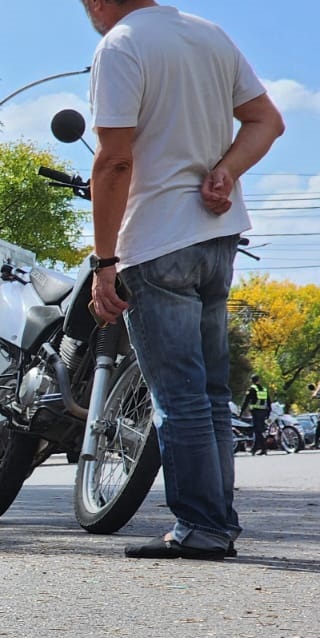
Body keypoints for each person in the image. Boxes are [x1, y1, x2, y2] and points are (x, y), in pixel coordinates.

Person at [82, 0, 284, 561]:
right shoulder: (211, 35)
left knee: (180, 398)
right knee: (212, 395)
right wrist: (228, 169)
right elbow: (268, 120)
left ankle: (200, 527)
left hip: (157, 239)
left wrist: (104, 262)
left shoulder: (120, 45)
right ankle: (217, 522)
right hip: (218, 239)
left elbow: (114, 160)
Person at [241, 374, 271, 455]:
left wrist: (241, 411)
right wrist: (268, 412)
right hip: (263, 412)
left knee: (258, 431)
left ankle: (262, 449)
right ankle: (256, 449)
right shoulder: (264, 389)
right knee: (260, 430)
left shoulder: (252, 389)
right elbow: (268, 402)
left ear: (252, 380)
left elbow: (246, 401)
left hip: (256, 412)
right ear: (259, 380)